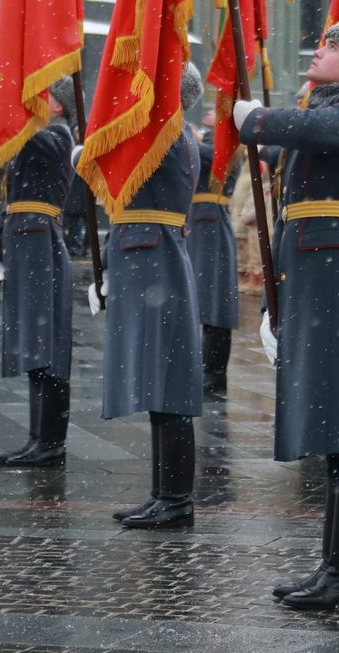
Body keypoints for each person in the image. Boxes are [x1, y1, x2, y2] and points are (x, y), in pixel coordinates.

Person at [233, 19, 339, 609]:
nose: (318, 50)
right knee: (335, 428)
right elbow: (281, 143)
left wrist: (257, 118)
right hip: (316, 283)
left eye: (331, 48)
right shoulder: (328, 113)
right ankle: (335, 566)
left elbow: (297, 128)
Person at [101, 63, 206, 529]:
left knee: (169, 385)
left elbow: (112, 153)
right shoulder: (164, 133)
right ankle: (164, 493)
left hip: (154, 260)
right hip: (144, 259)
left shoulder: (167, 135)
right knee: (159, 384)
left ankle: (177, 498)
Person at [0, 83, 78, 468]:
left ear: (58, 106)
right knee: (35, 342)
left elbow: (34, 141)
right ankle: (37, 437)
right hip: (25, 241)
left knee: (48, 345)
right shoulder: (37, 132)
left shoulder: (59, 134)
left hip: (40, 240)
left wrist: (13, 116)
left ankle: (51, 441)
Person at [189, 108, 240, 399]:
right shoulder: (209, 142)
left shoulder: (223, 147)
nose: (209, 110)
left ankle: (214, 374)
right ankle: (207, 372)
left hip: (209, 225)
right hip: (198, 221)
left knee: (214, 304)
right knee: (204, 302)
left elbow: (200, 154)